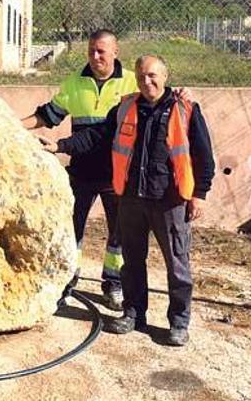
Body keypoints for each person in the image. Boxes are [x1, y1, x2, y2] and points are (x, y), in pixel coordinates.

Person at [40, 54, 214, 347]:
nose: (147, 81)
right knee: (132, 262)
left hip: (170, 201)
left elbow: (203, 155)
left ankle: (178, 322)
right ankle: (133, 313)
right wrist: (60, 146)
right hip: (132, 199)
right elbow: (96, 136)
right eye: (142, 76)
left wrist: (200, 195)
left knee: (178, 266)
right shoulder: (125, 108)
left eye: (153, 75)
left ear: (165, 76)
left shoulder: (185, 109)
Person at [22, 29, 136, 310]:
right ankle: (67, 281)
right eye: (91, 51)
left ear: (115, 52)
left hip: (117, 174)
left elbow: (159, 97)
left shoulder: (133, 83)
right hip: (81, 173)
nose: (95, 56)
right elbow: (48, 115)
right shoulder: (75, 82)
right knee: (72, 230)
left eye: (101, 51)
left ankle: (114, 284)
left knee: (119, 233)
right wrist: (13, 124)